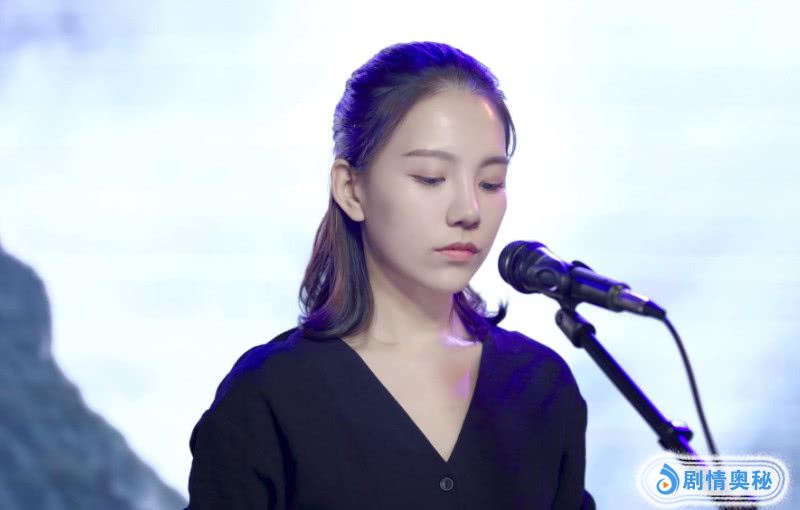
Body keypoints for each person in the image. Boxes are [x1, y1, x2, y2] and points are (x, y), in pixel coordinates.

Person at [184, 40, 595, 509]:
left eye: (490, 183)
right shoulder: (269, 395)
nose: (469, 210)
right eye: (430, 178)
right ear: (351, 188)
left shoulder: (541, 385)